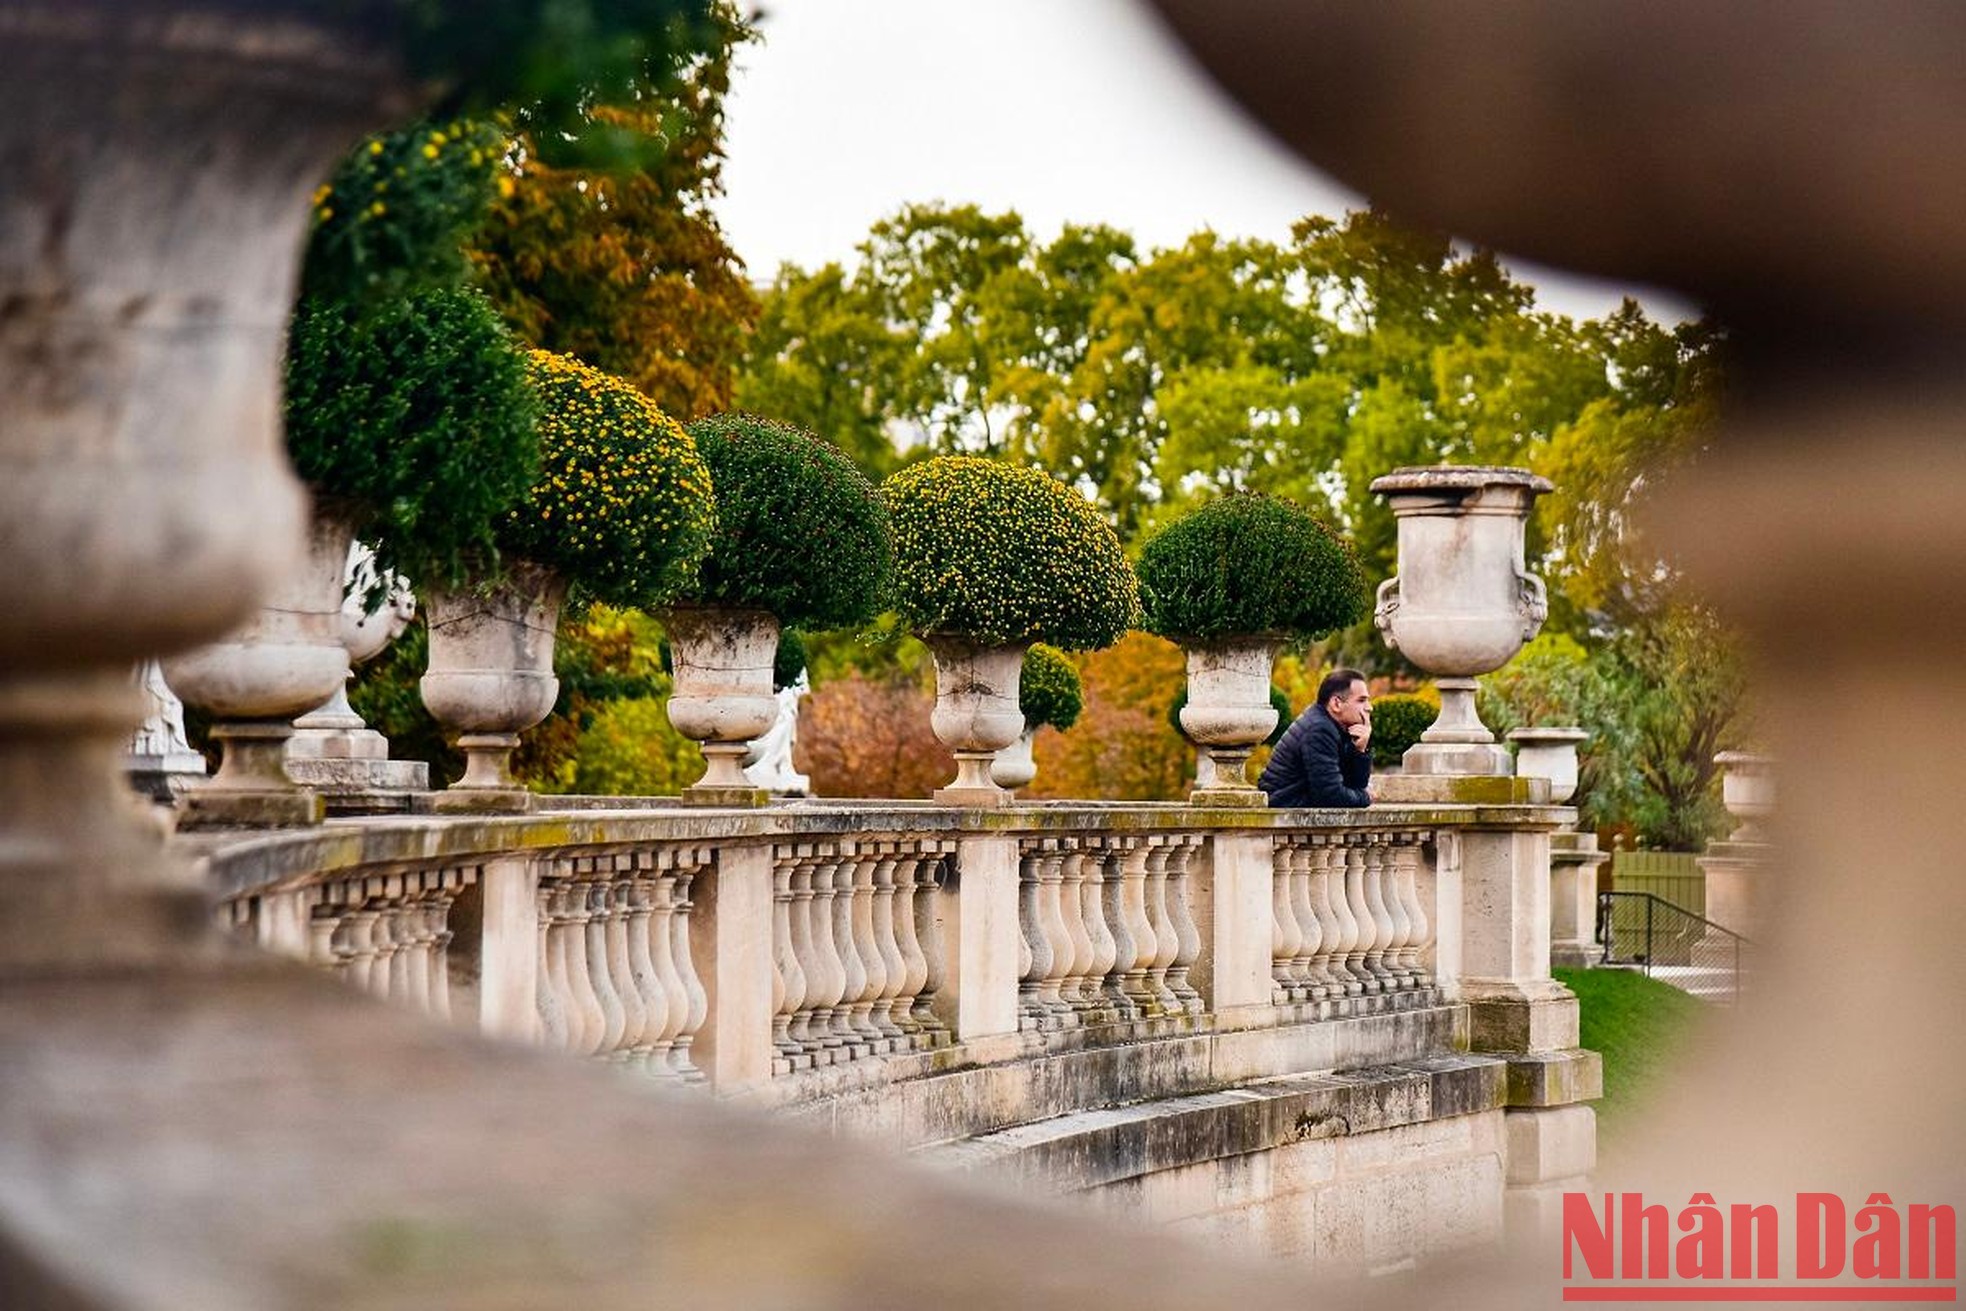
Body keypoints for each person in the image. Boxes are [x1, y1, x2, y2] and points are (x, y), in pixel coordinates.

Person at [1259, 668, 1373, 808]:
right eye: (1361, 700)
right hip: (1284, 809)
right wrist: (1365, 798)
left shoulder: (1337, 727)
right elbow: (1330, 796)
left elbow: (1354, 785)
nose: (1369, 708)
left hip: (1295, 808)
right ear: (1336, 704)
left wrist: (1360, 751)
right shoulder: (1319, 729)